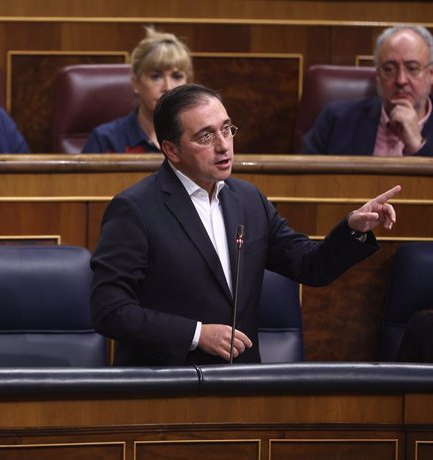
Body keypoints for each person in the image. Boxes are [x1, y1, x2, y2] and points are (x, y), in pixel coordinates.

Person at [91, 83, 401, 366]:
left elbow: (310, 266)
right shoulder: (135, 209)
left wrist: (353, 228)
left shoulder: (248, 200)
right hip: (167, 385)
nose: (224, 145)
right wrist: (197, 334)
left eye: (227, 130)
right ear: (171, 150)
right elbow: (110, 311)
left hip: (241, 384)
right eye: (206, 136)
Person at [303, 25, 433, 156]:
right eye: (389, 69)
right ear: (378, 75)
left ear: (431, 74)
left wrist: (417, 145)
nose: (401, 80)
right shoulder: (337, 120)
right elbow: (303, 175)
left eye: (412, 68)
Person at [81, 27, 192, 153]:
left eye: (177, 76)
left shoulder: (196, 138)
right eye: (156, 76)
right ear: (136, 83)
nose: (168, 87)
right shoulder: (105, 139)